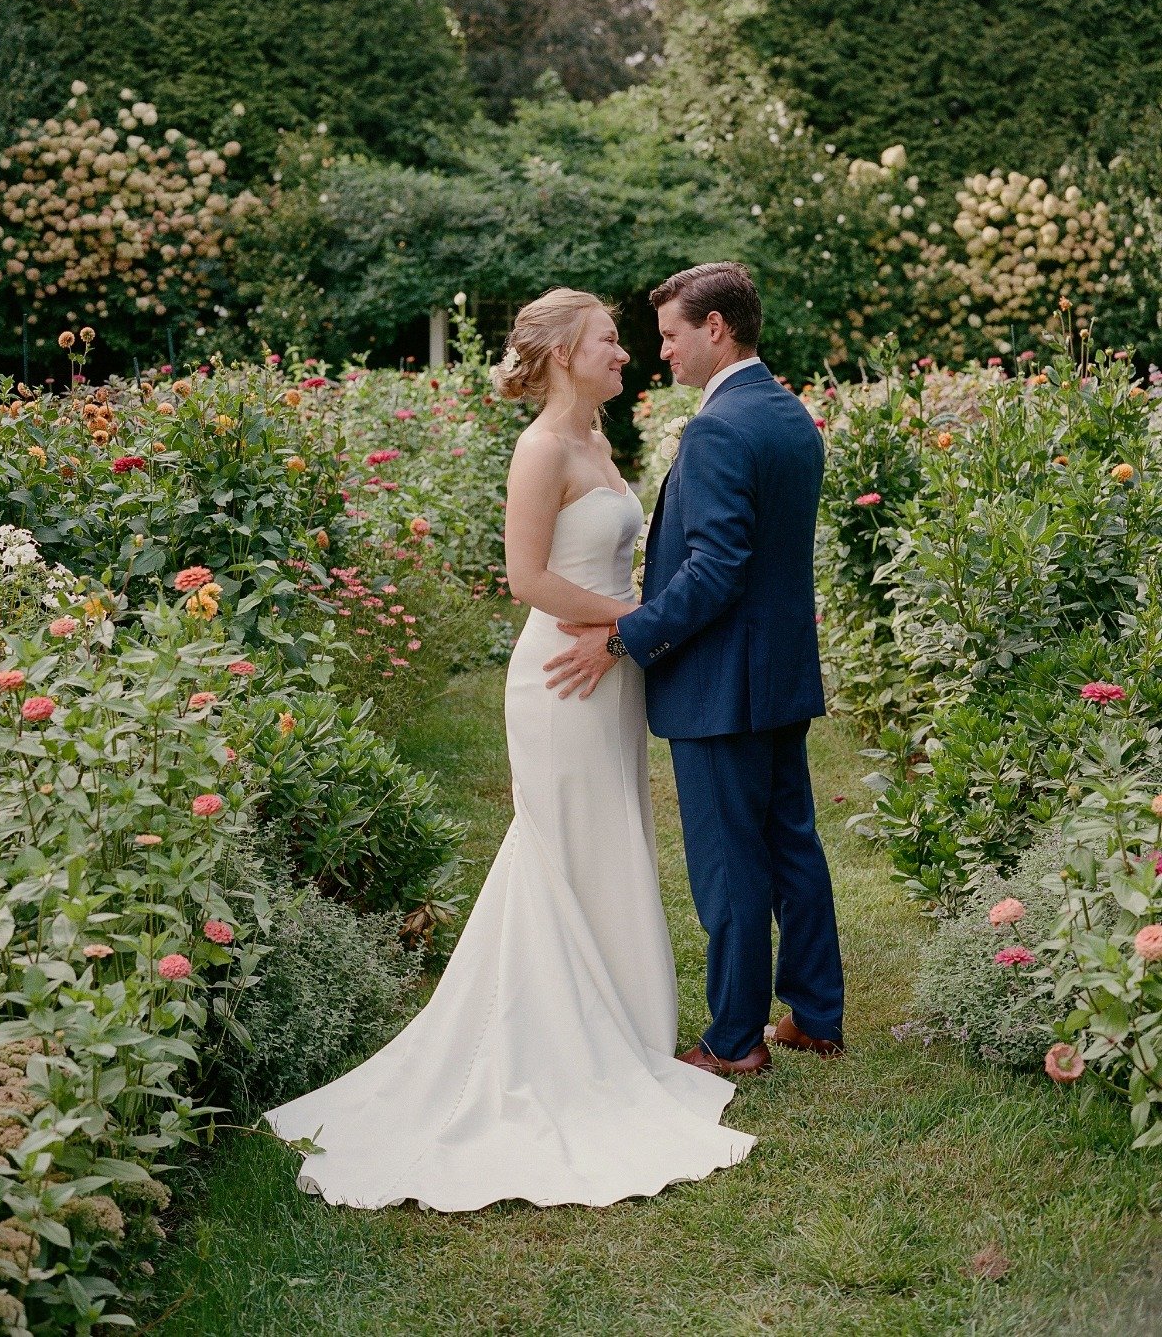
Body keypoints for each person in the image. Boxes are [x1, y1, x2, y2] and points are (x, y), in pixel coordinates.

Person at [264, 287, 754, 1210]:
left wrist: (632, 633)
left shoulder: (600, 444)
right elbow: (527, 578)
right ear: (566, 352)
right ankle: (555, 1048)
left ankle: (621, 1032)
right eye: (611, 340)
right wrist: (645, 619)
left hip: (605, 671)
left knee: (610, 839)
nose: (626, 353)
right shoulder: (540, 448)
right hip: (562, 678)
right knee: (562, 846)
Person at [547, 262, 845, 1074]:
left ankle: (734, 1039)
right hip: (779, 670)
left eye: (673, 335)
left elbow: (715, 571)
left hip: (721, 681)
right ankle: (816, 1014)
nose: (664, 353)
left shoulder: (719, 427)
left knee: (728, 865)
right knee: (791, 845)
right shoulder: (787, 412)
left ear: (716, 329)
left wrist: (621, 639)